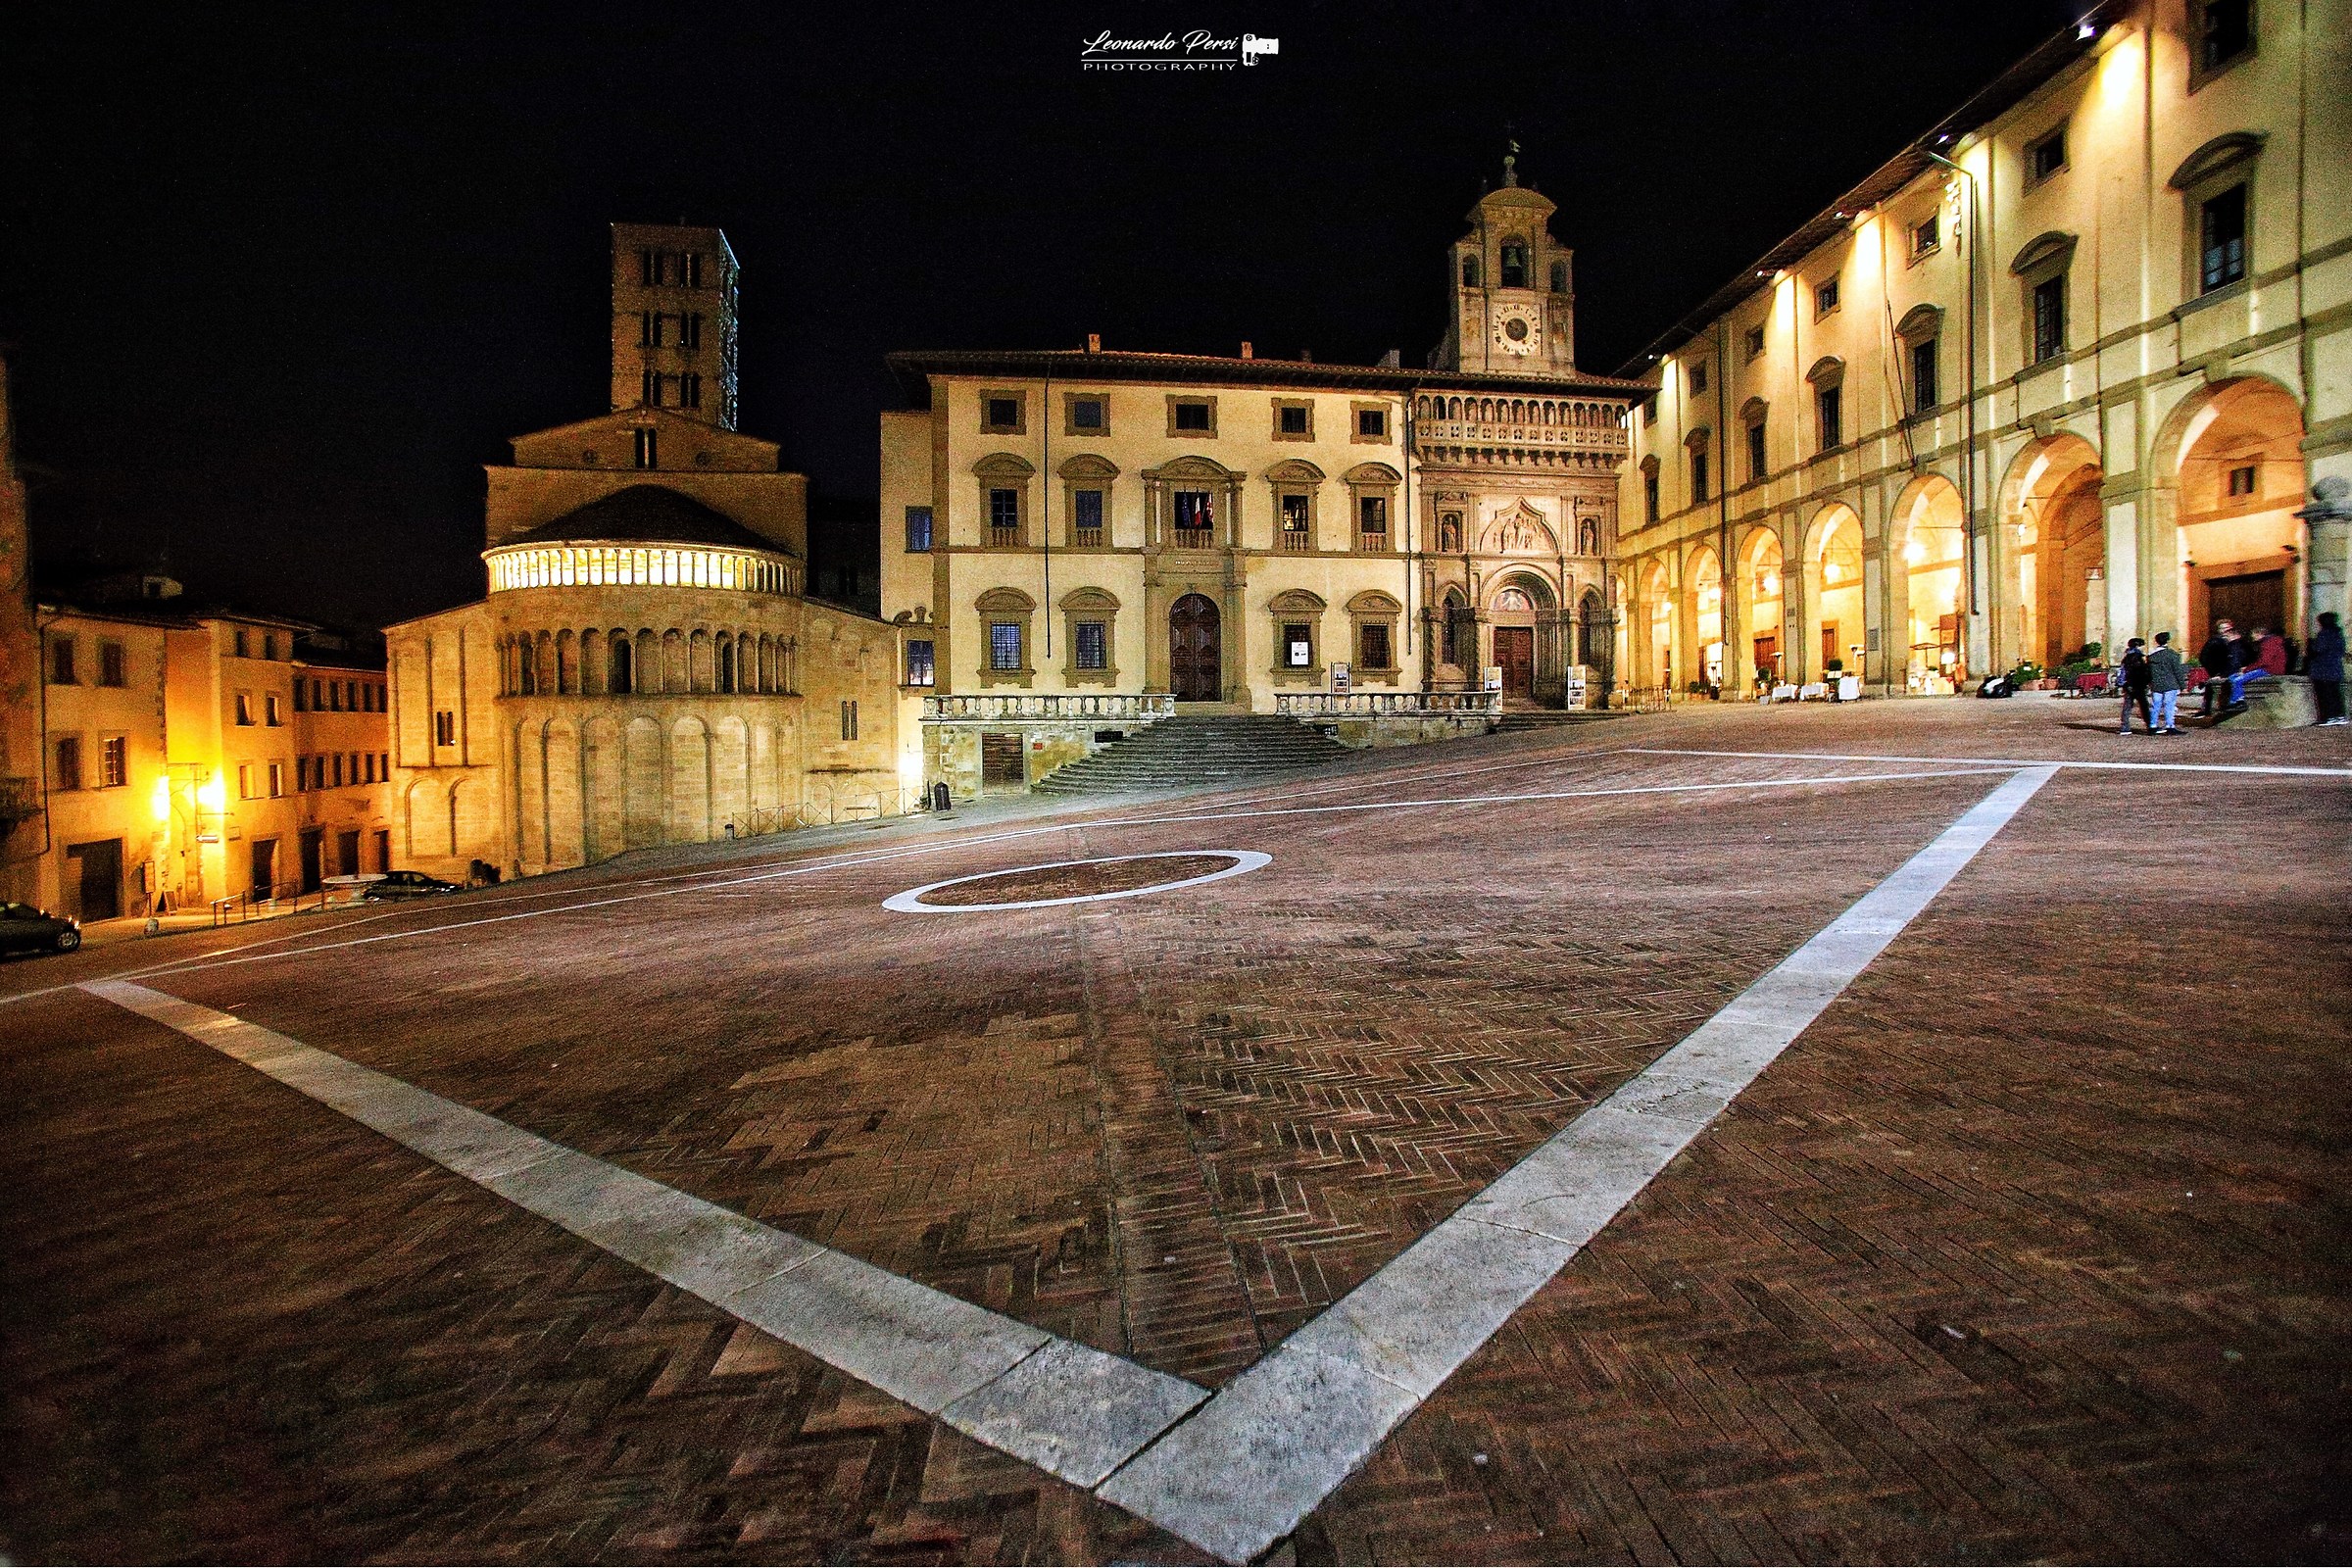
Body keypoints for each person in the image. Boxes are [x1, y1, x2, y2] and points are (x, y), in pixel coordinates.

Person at [2230, 623, 2289, 706]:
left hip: (2269, 670)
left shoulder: (2268, 643)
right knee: (2232, 677)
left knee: (2237, 680)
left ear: (2259, 634)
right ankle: (2233, 700)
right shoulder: (2271, 642)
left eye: (2253, 635)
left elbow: (2265, 662)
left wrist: (2247, 669)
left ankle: (2237, 702)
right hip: (2271, 668)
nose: (2252, 637)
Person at [2146, 631, 2185, 734]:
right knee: (2169, 705)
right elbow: (2177, 671)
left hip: (2156, 683)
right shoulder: (2172, 655)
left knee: (2156, 705)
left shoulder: (2151, 656)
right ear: (2167, 641)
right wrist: (2182, 685)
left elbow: (2148, 672)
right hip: (2170, 683)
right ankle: (2169, 726)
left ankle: (2152, 725)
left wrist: (2150, 682)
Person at [2198, 618, 2238, 721]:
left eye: (2227, 628)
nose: (2225, 630)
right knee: (2211, 691)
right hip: (2216, 670)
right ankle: (2208, 710)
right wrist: (2212, 669)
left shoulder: (2233, 640)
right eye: (2222, 628)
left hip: (2228, 670)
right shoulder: (2215, 641)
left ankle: (2210, 709)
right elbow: (2204, 656)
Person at [2312, 611, 2346, 726]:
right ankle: (2339, 715)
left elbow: (2318, 649)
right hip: (2335, 668)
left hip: (2323, 669)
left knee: (2325, 694)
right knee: (2335, 694)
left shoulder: (2324, 634)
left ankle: (2328, 717)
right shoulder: (2338, 633)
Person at [2117, 636, 2152, 735]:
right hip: (2137, 685)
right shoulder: (2137, 657)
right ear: (2138, 646)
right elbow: (2141, 672)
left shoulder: (2126, 657)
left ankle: (2125, 727)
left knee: (2127, 706)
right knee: (2144, 706)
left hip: (2128, 685)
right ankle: (2150, 725)